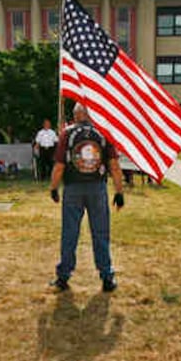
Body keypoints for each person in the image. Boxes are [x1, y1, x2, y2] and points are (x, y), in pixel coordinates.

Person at [48, 103, 125, 293]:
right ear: (90, 115)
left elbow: (59, 166)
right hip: (97, 188)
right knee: (101, 233)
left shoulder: (67, 134)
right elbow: (114, 165)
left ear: (75, 116)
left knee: (70, 233)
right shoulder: (103, 133)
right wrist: (119, 191)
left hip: (73, 188)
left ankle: (63, 276)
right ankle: (107, 276)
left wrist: (53, 187)